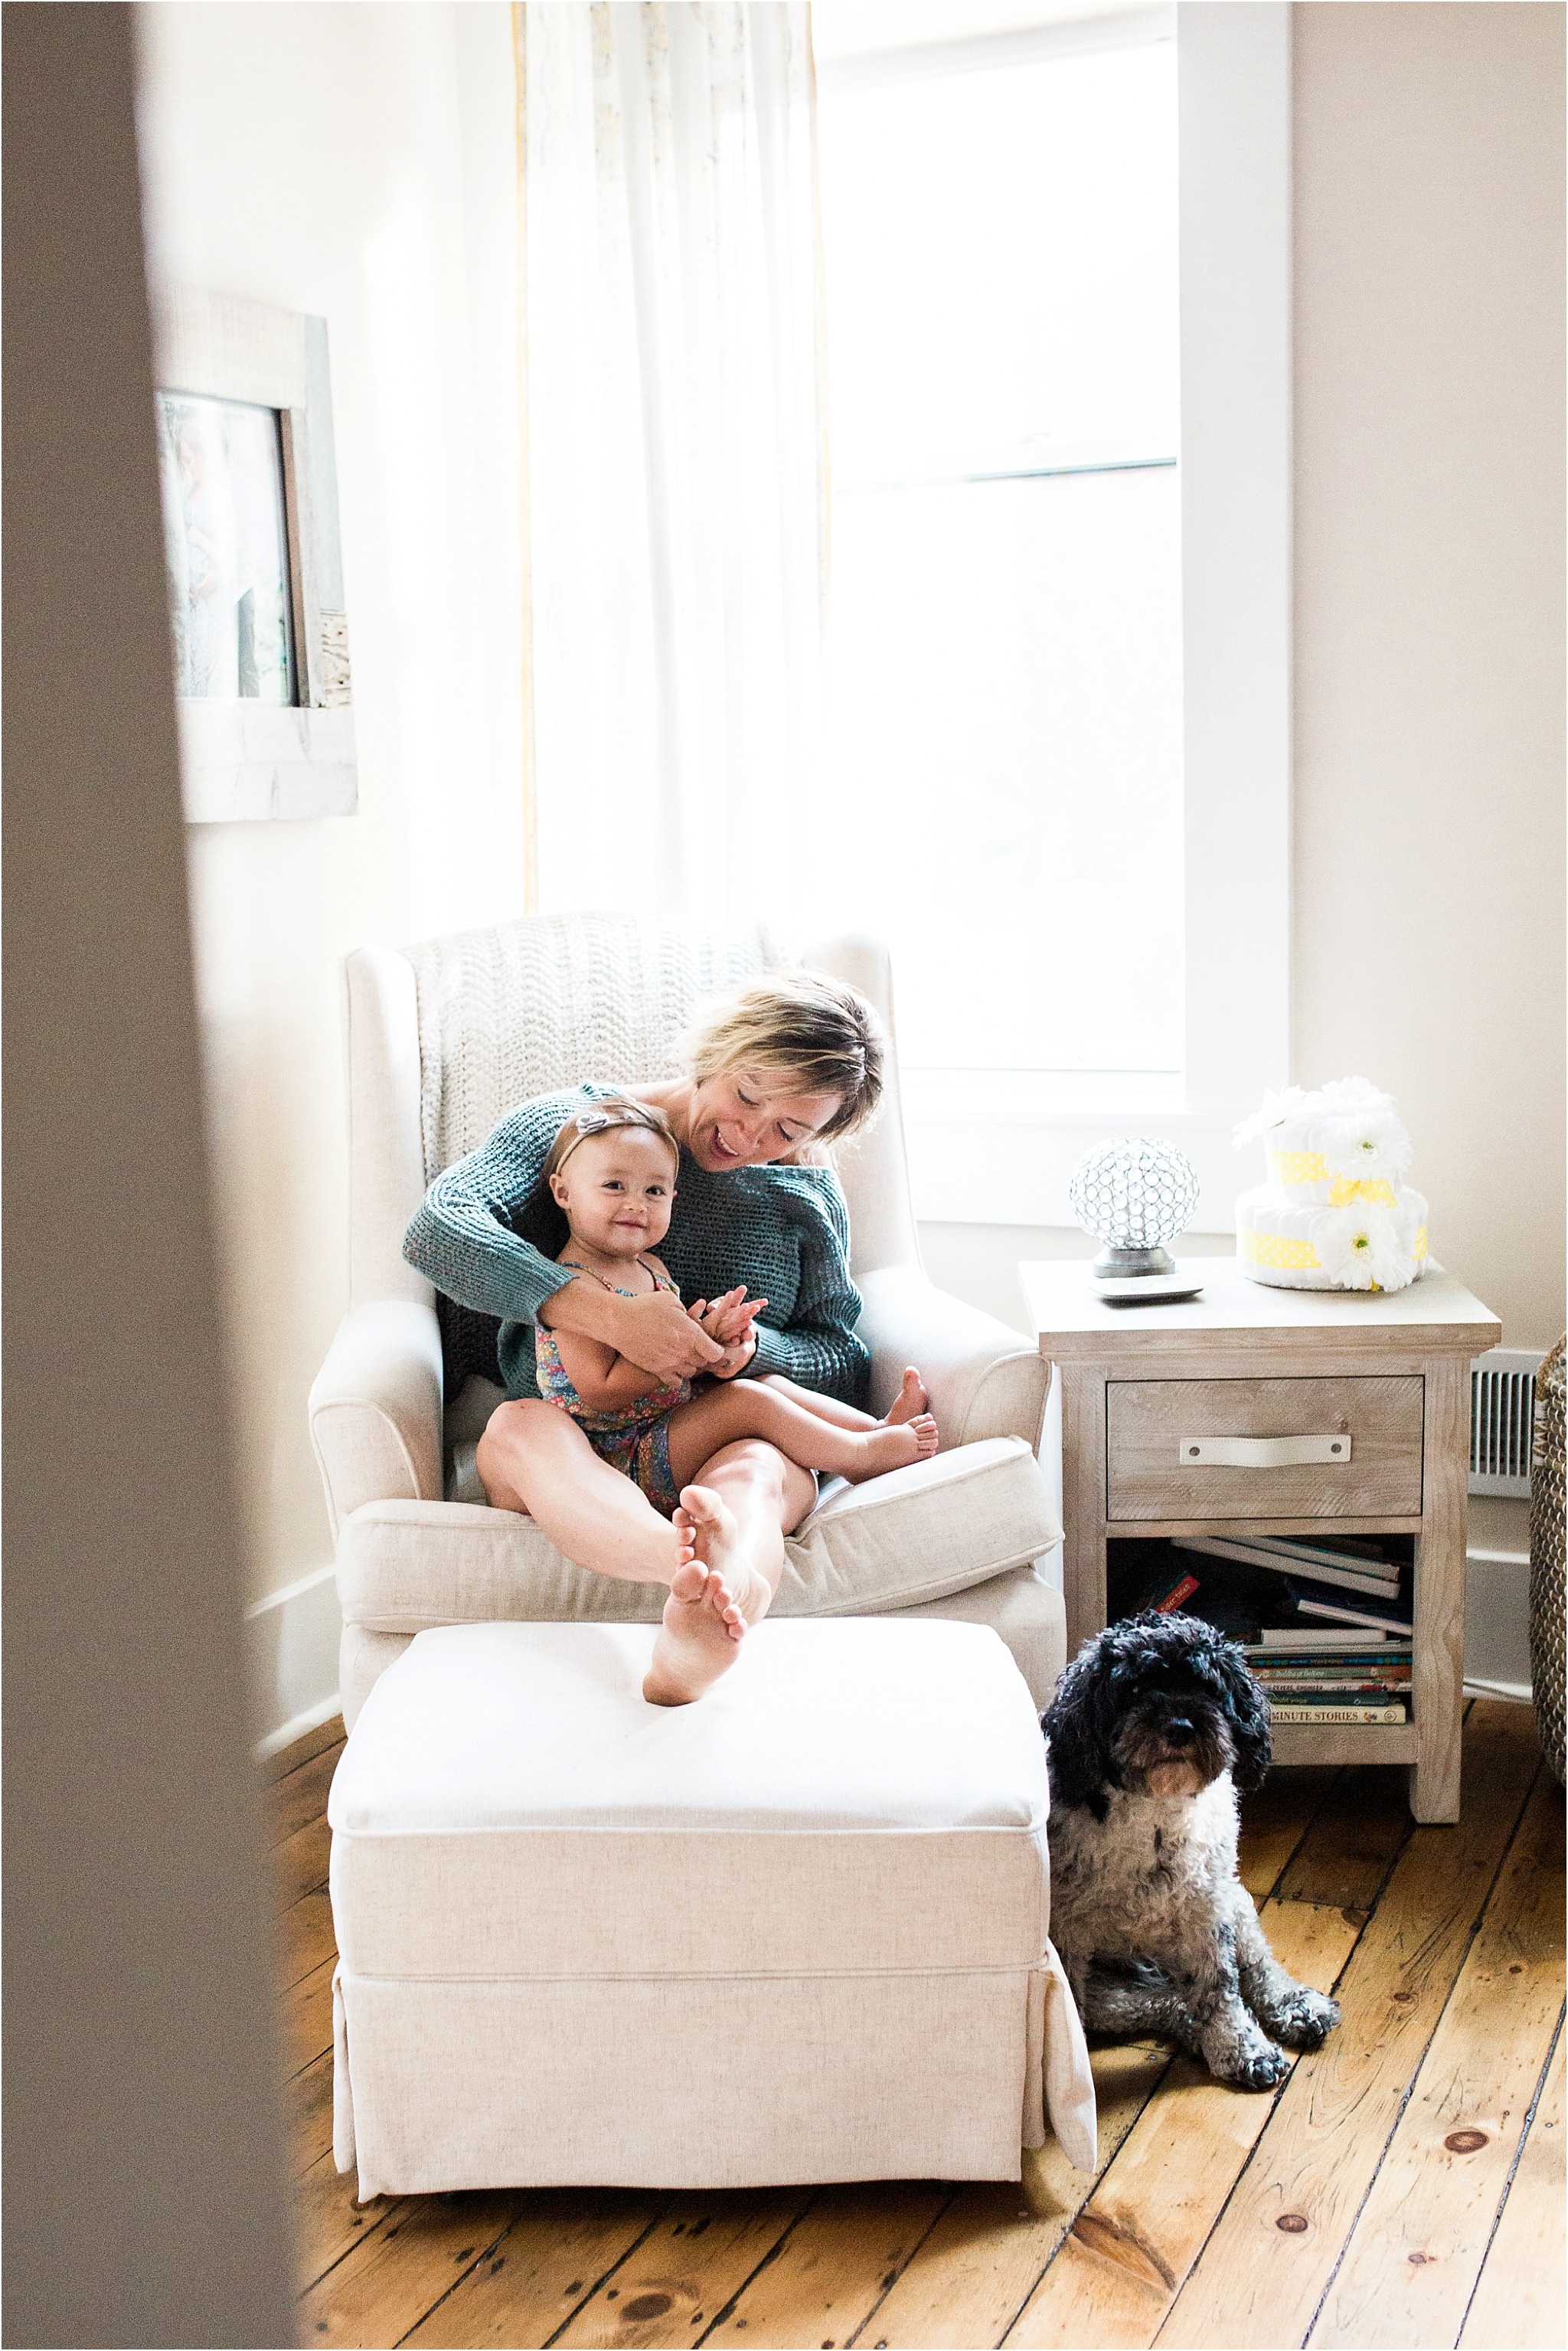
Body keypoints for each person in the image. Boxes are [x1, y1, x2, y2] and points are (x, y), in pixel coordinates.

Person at [402, 971, 919, 1702]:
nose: (749, 1135)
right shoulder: (583, 1131)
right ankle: (676, 1561)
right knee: (519, 1428)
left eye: (788, 1130)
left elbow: (839, 1358)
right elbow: (440, 1231)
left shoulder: (803, 1194)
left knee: (762, 1464)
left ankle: (705, 1629)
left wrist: (750, 1353)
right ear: (718, 1050)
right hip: (570, 1442)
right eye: (746, 1095)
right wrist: (607, 1316)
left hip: (703, 1440)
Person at [522, 1096, 936, 1701]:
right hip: (617, 1454)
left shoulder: (652, 1267)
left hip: (661, 1433)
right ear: (563, 1192)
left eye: (656, 1191)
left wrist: (712, 1336)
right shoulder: (576, 1284)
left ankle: (874, 1429)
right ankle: (858, 1456)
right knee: (748, 1401)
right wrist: (679, 1355)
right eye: (614, 1185)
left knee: (765, 1384)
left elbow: (680, 1356)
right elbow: (602, 1392)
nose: (636, 1204)